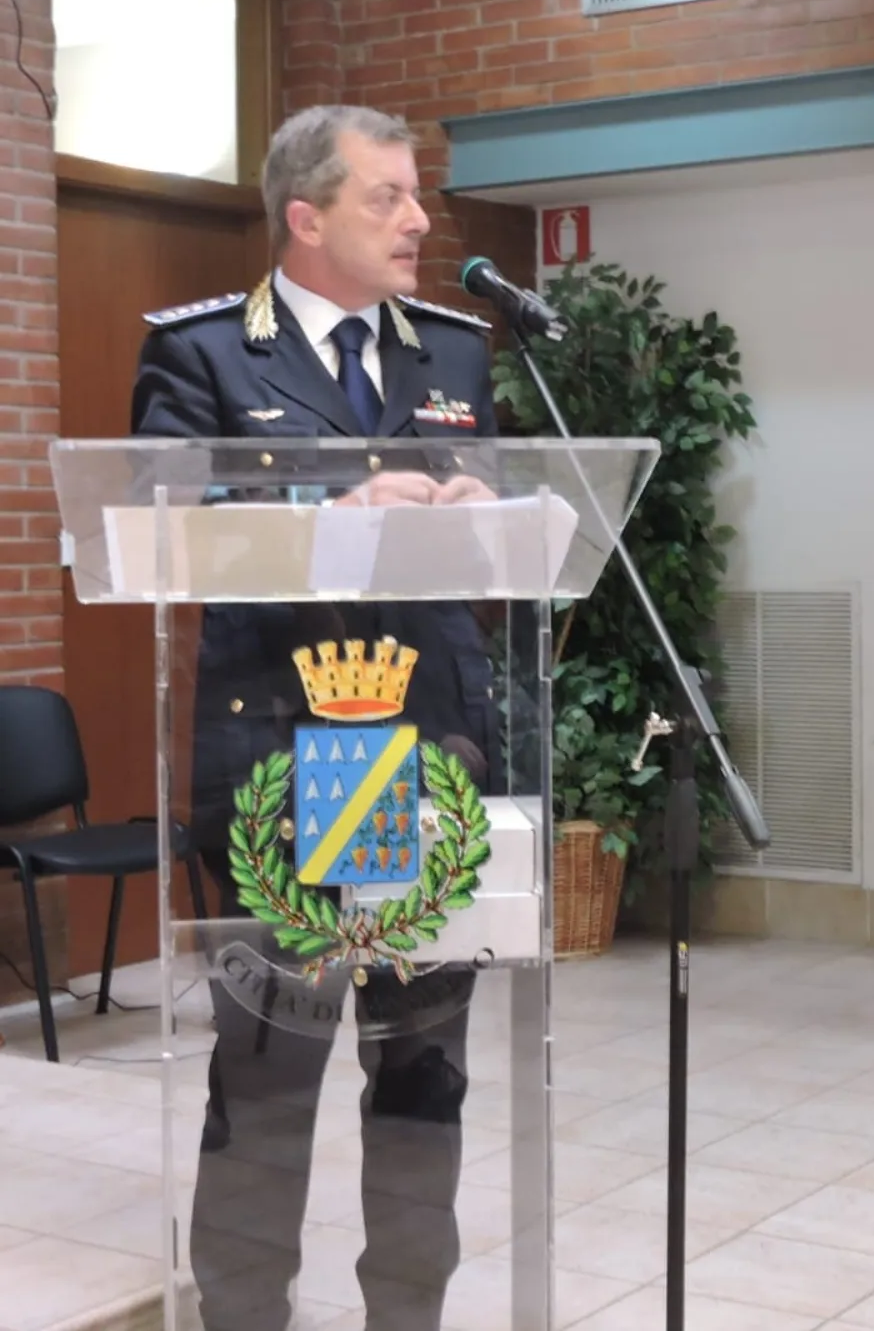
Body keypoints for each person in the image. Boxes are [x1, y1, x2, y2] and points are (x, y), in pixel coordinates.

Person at [131, 105, 502, 1331]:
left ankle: (409, 1316)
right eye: (386, 197)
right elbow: (158, 529)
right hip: (282, 760)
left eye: (416, 195)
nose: (419, 220)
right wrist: (331, 509)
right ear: (305, 217)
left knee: (422, 1075)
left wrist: (485, 513)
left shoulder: (453, 353)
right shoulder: (203, 355)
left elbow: (502, 523)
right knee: (268, 1075)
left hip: (423, 758)